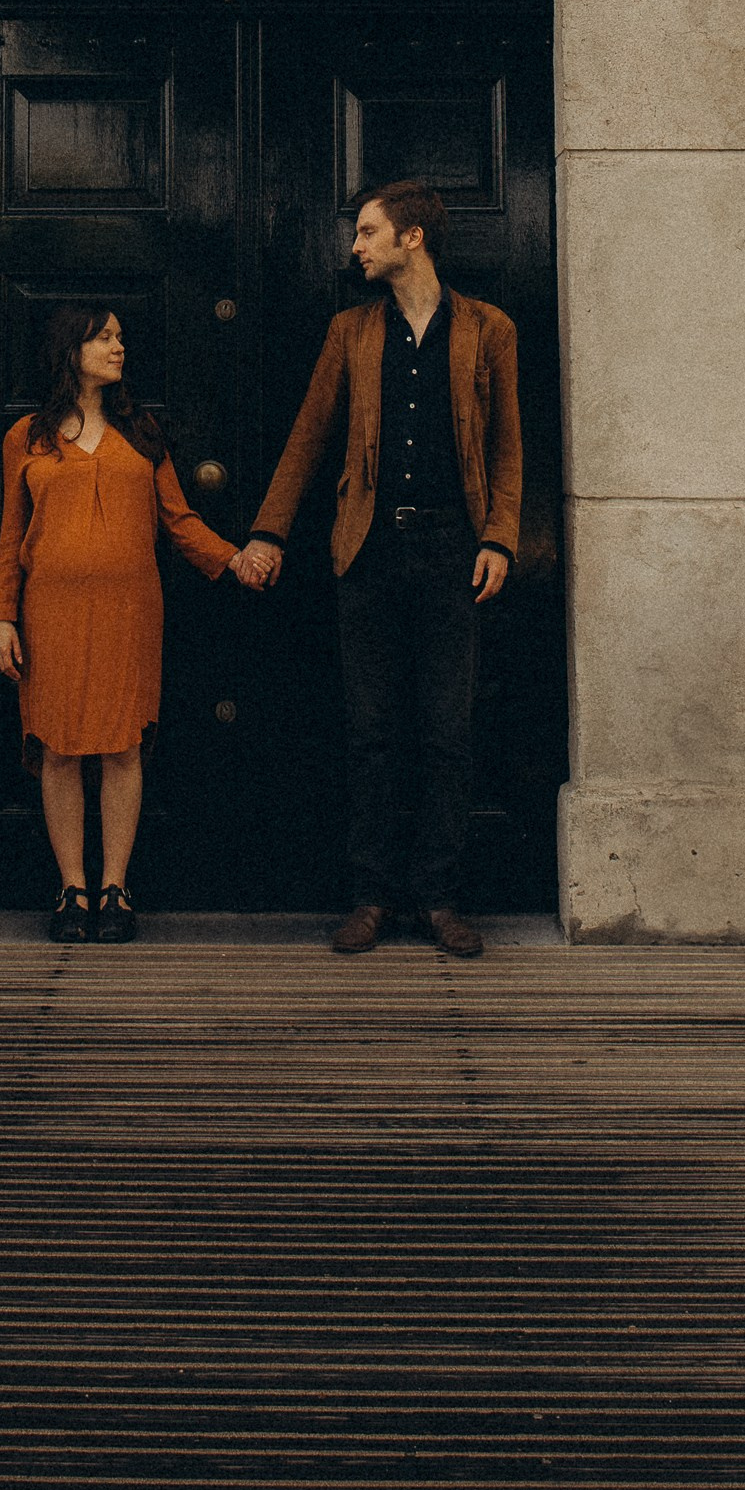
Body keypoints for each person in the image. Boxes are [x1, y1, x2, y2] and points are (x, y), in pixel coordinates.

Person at [239, 182, 522, 959]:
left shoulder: (488, 329)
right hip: (366, 555)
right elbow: (307, 436)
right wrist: (269, 531)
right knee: (370, 734)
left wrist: (499, 538)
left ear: (413, 239)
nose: (355, 247)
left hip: (452, 559)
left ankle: (435, 898)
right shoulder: (349, 332)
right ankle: (368, 896)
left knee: (445, 734)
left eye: (368, 233)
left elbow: (506, 447)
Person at [0, 305, 269, 943]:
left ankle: (115, 887)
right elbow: (11, 536)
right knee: (58, 748)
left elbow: (178, 520)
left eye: (120, 337)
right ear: (72, 348)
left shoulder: (142, 433)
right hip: (50, 611)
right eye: (105, 337)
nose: (120, 347)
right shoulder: (28, 438)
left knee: (122, 746)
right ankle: (72, 890)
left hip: (129, 610)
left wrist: (235, 558)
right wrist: (3, 615)